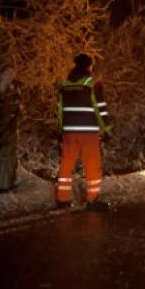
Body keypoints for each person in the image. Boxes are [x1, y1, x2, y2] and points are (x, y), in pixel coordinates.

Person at [56, 53, 113, 209]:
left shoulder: (64, 85)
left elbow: (60, 109)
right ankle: (92, 199)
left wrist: (60, 130)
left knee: (66, 163)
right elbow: (100, 108)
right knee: (92, 163)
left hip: (69, 132)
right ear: (88, 66)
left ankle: (63, 198)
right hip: (88, 132)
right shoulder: (93, 84)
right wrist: (107, 129)